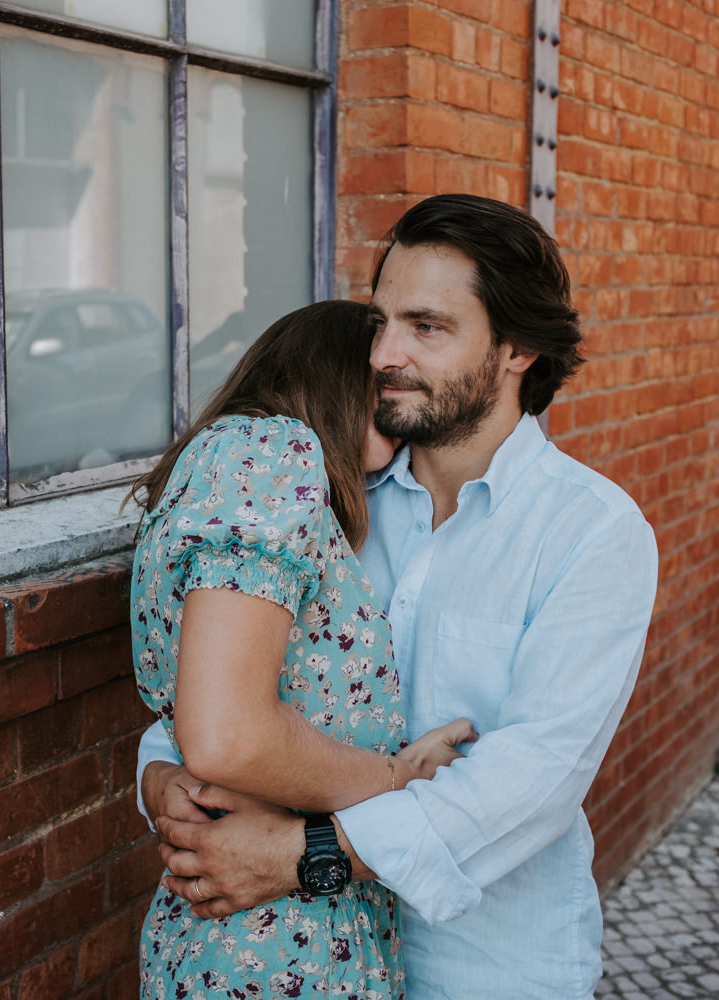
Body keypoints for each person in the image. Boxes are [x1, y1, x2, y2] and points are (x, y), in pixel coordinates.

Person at [138, 194, 660, 999]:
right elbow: (217, 695)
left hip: (483, 966)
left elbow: (534, 780)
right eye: (380, 322)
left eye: (427, 326)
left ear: (516, 347)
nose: (384, 353)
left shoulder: (590, 532)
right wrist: (167, 783)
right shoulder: (328, 499)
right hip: (302, 960)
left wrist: (302, 853)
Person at [126, 299, 475, 999]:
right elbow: (227, 734)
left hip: (281, 934)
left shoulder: (242, 470)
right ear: (335, 376)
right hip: (272, 945)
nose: (399, 405)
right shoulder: (271, 451)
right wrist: (400, 782)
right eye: (382, 384)